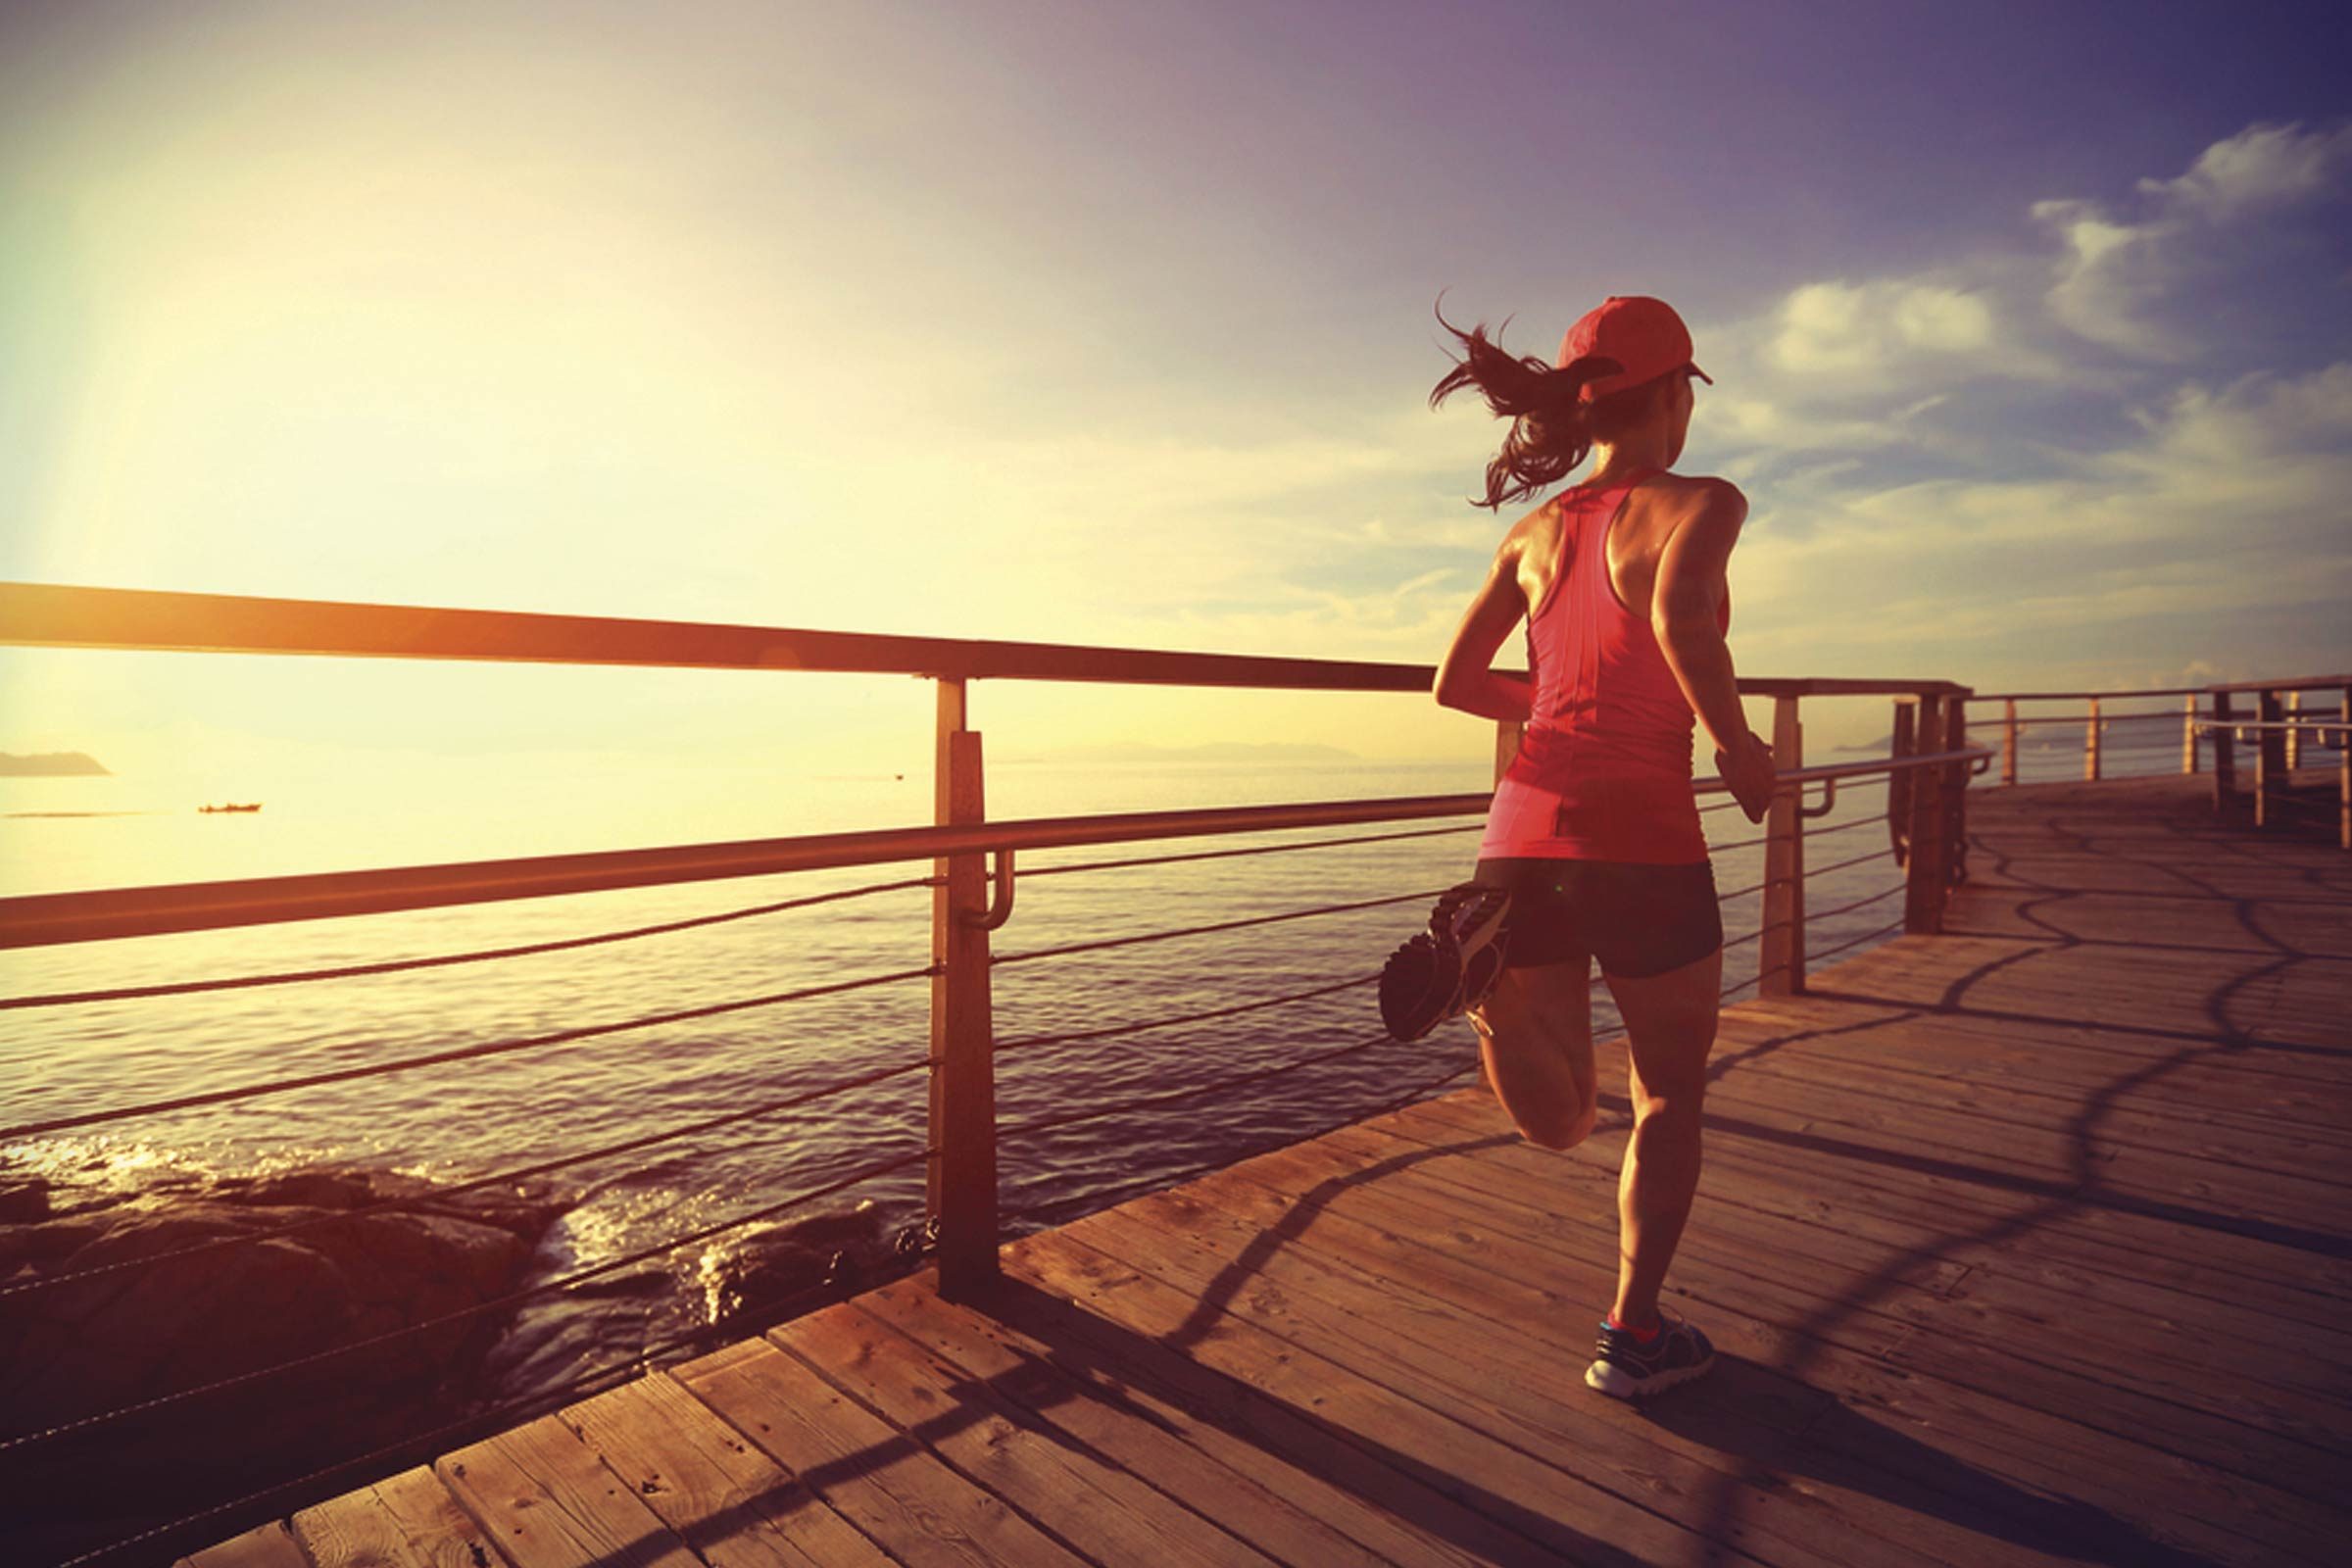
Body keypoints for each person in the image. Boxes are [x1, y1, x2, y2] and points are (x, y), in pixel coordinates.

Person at [1422, 293, 1775, 1399]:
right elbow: (1680, 622)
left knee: (1564, 1118)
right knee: (1666, 1096)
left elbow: (1453, 684)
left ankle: (1486, 994)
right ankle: (1633, 1332)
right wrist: (1739, 745)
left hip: (1519, 836)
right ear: (1678, 391)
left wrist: (1562, 693)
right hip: (1643, 836)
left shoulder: (1532, 531)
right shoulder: (1702, 500)